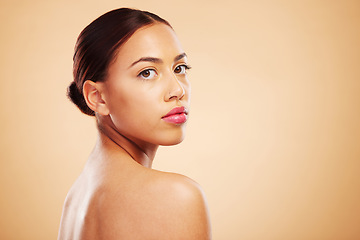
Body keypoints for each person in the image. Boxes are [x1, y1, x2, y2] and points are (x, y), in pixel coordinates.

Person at [58, 8, 211, 240]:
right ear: (97, 97)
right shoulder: (175, 197)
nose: (177, 90)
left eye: (179, 69)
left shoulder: (76, 199)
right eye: (147, 72)